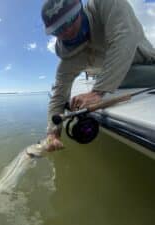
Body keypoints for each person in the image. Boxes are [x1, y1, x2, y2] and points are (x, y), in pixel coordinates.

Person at [41, 0, 155, 151]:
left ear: (80, 9)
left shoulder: (106, 4)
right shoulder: (68, 59)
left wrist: (98, 91)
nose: (66, 31)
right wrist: (53, 133)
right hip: (121, 77)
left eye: (69, 20)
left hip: (148, 62)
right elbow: (58, 96)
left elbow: (125, 37)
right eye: (58, 29)